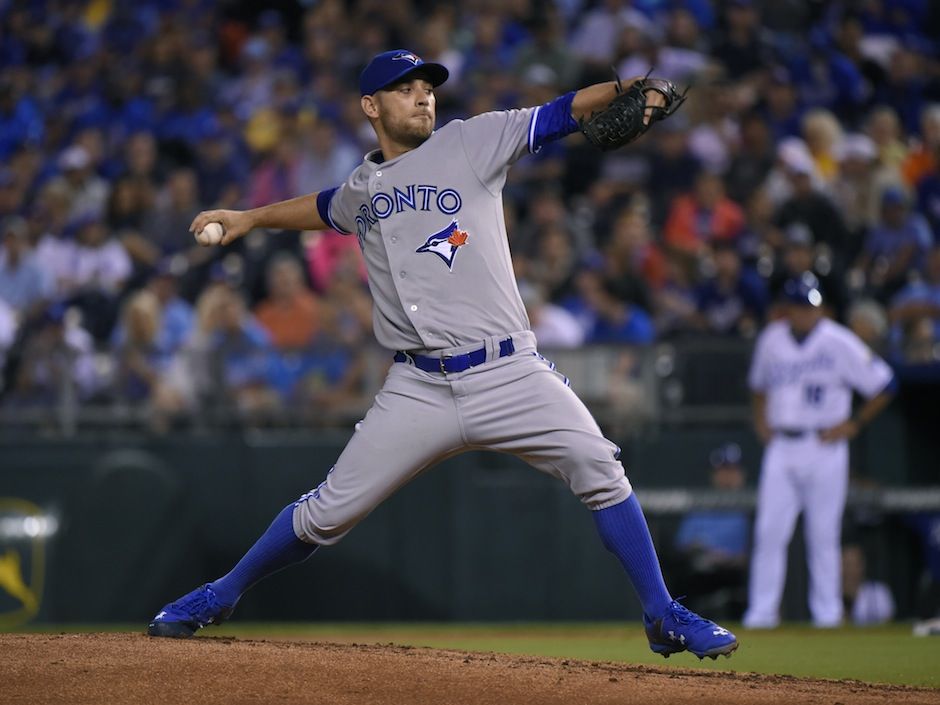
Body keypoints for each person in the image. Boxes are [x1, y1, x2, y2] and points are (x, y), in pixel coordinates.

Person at [147, 49, 738, 660]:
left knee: (600, 469)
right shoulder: (363, 185)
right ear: (371, 106)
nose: (423, 95)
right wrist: (250, 218)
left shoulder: (471, 141)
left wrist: (626, 86)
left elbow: (561, 113)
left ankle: (662, 613)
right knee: (325, 515)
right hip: (418, 387)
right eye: (405, 88)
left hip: (509, 370)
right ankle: (220, 594)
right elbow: (324, 208)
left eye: (427, 85)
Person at [744, 273, 896, 629]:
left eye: (812, 307)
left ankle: (827, 616)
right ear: (787, 310)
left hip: (825, 445)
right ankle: (761, 615)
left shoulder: (838, 341)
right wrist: (761, 421)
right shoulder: (772, 340)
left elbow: (886, 383)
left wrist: (854, 423)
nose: (807, 313)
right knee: (769, 532)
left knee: (823, 534)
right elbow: (758, 386)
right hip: (782, 445)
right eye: (800, 307)